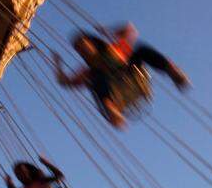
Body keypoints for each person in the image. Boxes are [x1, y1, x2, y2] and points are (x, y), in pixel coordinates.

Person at [55, 26, 189, 128]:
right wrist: (58, 65)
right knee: (95, 79)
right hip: (116, 95)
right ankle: (111, 109)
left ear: (92, 42)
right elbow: (64, 82)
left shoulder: (115, 49)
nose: (83, 50)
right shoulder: (89, 71)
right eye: (79, 49)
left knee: (140, 50)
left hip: (134, 78)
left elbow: (130, 30)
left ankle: (172, 71)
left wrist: (109, 30)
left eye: (84, 45)